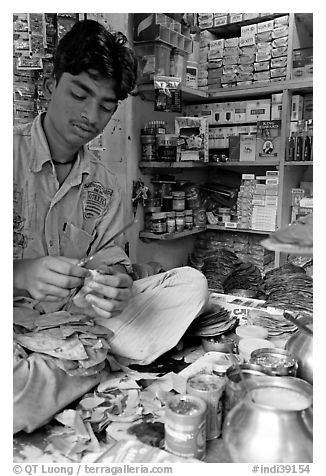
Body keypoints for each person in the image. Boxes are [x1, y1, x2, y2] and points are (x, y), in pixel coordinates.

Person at [13, 19, 209, 434]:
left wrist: (115, 283)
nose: (90, 115)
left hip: (81, 322)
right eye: (80, 94)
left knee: (190, 284)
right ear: (51, 83)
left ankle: (73, 367)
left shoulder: (105, 183)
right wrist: (19, 273)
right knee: (10, 398)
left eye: (106, 105)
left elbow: (112, 260)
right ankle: (90, 365)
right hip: (11, 323)